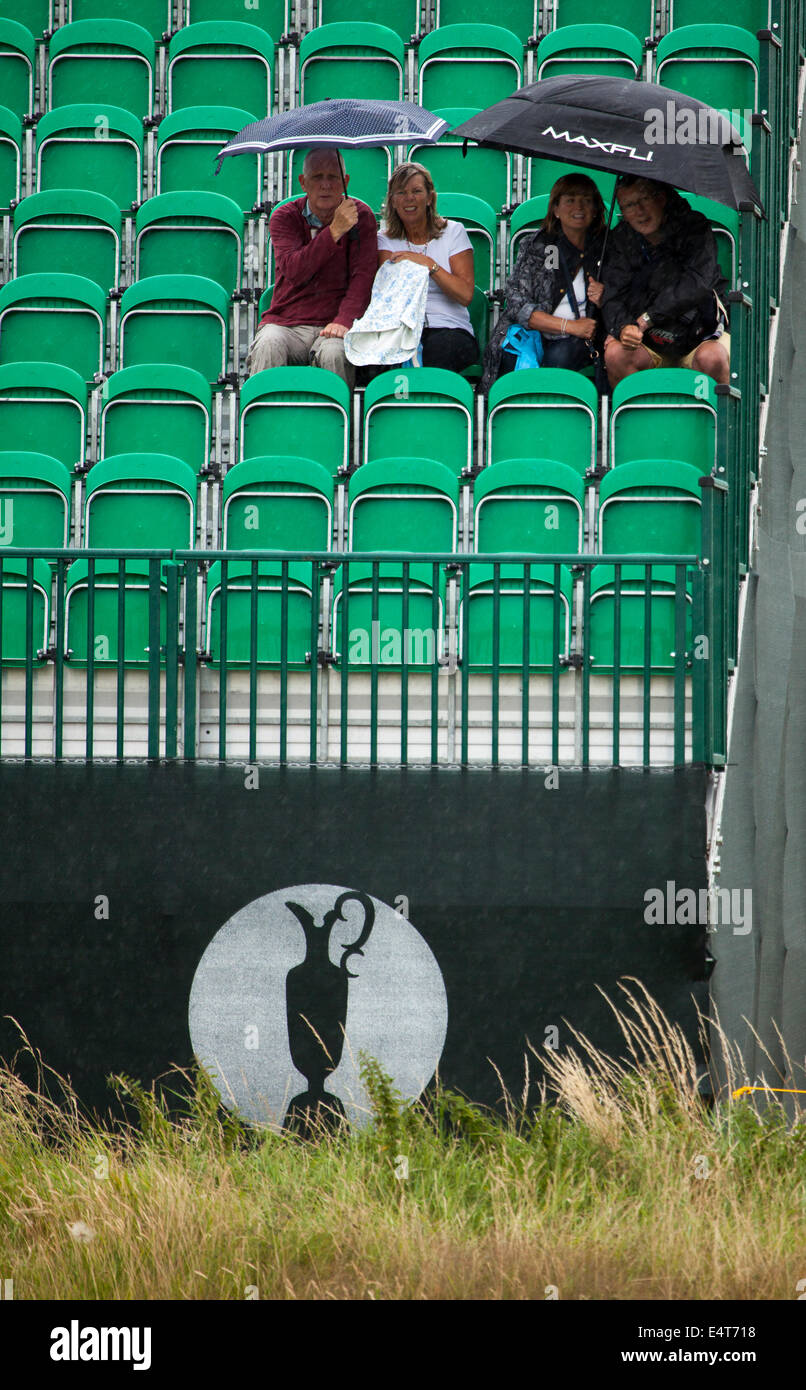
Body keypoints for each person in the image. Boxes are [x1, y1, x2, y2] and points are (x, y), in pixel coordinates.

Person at [245, 148, 378, 388]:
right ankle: (264, 421)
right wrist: (334, 231)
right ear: (303, 183)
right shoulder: (285, 216)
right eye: (317, 177)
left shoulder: (363, 217)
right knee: (268, 343)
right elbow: (295, 270)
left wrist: (344, 320)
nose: (325, 185)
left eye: (333, 177)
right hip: (287, 323)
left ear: (345, 181)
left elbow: (364, 278)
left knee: (335, 353)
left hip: (335, 322)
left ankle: (337, 424)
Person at [481, 173, 606, 394]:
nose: (579, 207)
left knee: (559, 357)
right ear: (556, 210)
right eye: (570, 200)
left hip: (584, 338)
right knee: (509, 355)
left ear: (595, 209)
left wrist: (605, 294)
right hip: (537, 331)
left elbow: (623, 296)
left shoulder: (608, 247)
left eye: (586, 200)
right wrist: (568, 326)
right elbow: (517, 302)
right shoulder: (537, 245)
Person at [602, 176, 730, 389]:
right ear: (622, 212)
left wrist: (647, 318)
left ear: (661, 199)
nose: (639, 211)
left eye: (644, 199)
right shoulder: (621, 238)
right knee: (616, 354)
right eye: (630, 205)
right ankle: (638, 421)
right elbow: (612, 293)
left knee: (713, 358)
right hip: (649, 342)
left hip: (700, 334)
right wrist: (623, 327)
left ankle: (721, 422)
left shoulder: (694, 227)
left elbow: (698, 283)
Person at [376, 162, 477, 372]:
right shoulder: (384, 240)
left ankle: (431, 404)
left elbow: (465, 295)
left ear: (430, 197)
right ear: (393, 201)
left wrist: (429, 265)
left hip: (449, 326)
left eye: (416, 191)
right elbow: (387, 295)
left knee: (440, 350)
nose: (409, 198)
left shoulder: (453, 232)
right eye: (401, 193)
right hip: (400, 328)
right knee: (379, 358)